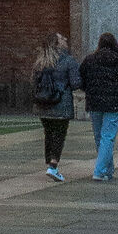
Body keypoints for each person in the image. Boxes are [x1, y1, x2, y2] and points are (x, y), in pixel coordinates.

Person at [31, 32, 82, 181]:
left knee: (49, 132)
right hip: (61, 104)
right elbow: (75, 83)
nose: (65, 39)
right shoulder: (68, 61)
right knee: (59, 134)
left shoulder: (40, 61)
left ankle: (50, 163)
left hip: (42, 104)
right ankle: (53, 165)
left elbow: (34, 82)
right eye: (62, 38)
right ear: (57, 43)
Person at [79, 31, 118, 180]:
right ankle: (100, 171)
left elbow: (81, 79)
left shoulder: (89, 60)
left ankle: (108, 169)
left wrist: (89, 90)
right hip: (113, 104)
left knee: (99, 137)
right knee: (108, 137)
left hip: (94, 103)